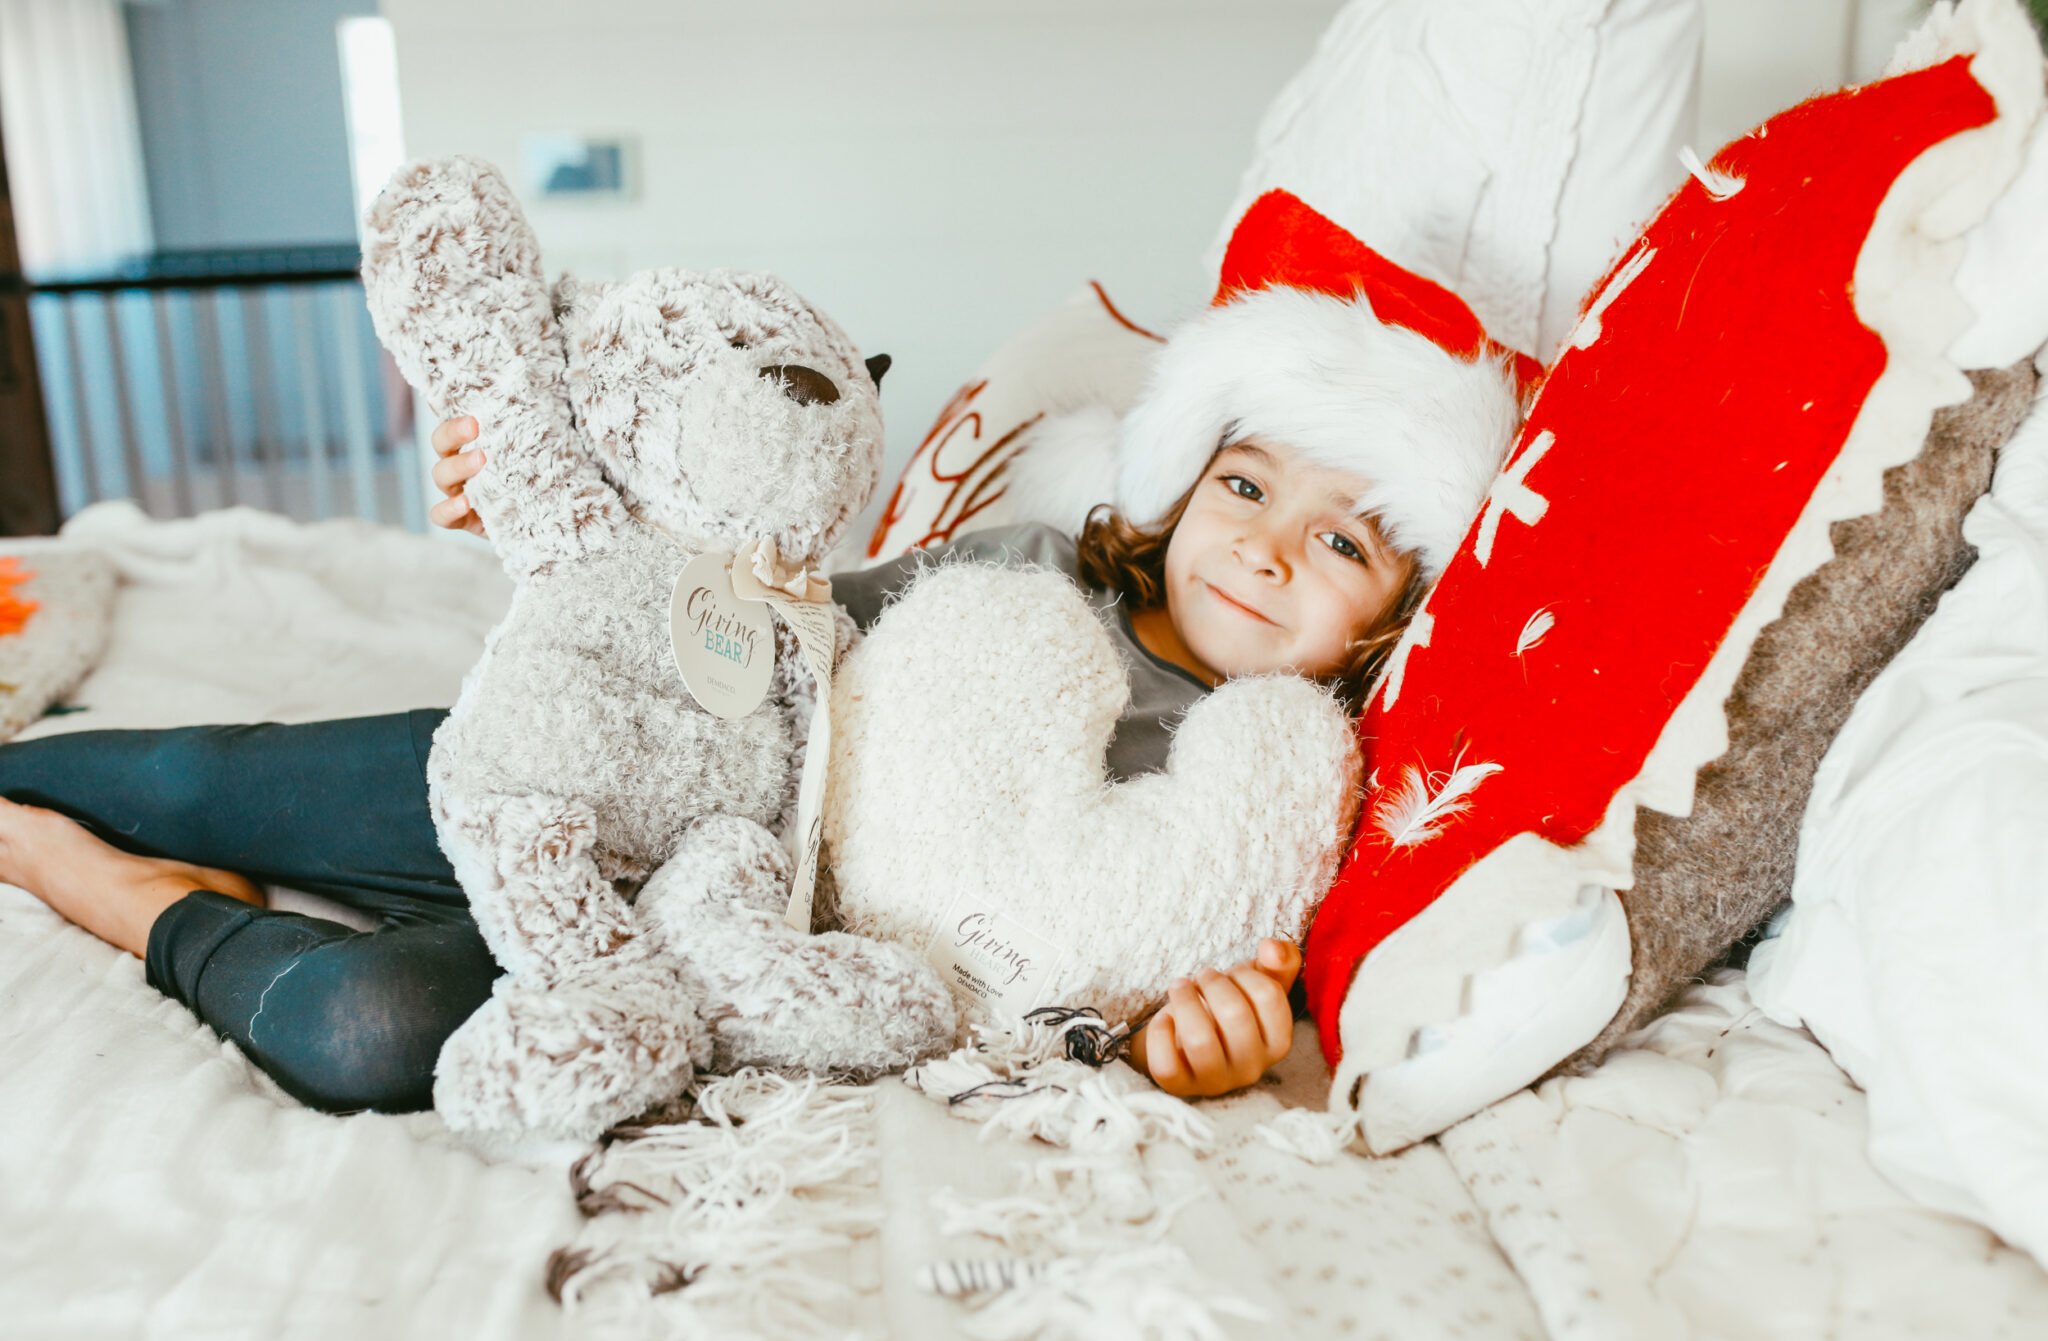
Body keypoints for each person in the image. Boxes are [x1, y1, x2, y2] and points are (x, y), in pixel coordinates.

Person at [0, 224, 1524, 1115]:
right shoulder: (1027, 573)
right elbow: (750, 605)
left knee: (376, 1032)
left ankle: (105, 887)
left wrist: (1208, 1039)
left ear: (1396, 615)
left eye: (1344, 544)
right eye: (1250, 487)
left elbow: (1151, 977)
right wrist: (520, 488)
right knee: (205, 774)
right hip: (631, 762)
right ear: (1185, 477)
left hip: (736, 938)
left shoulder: (1277, 794)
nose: (1265, 549)